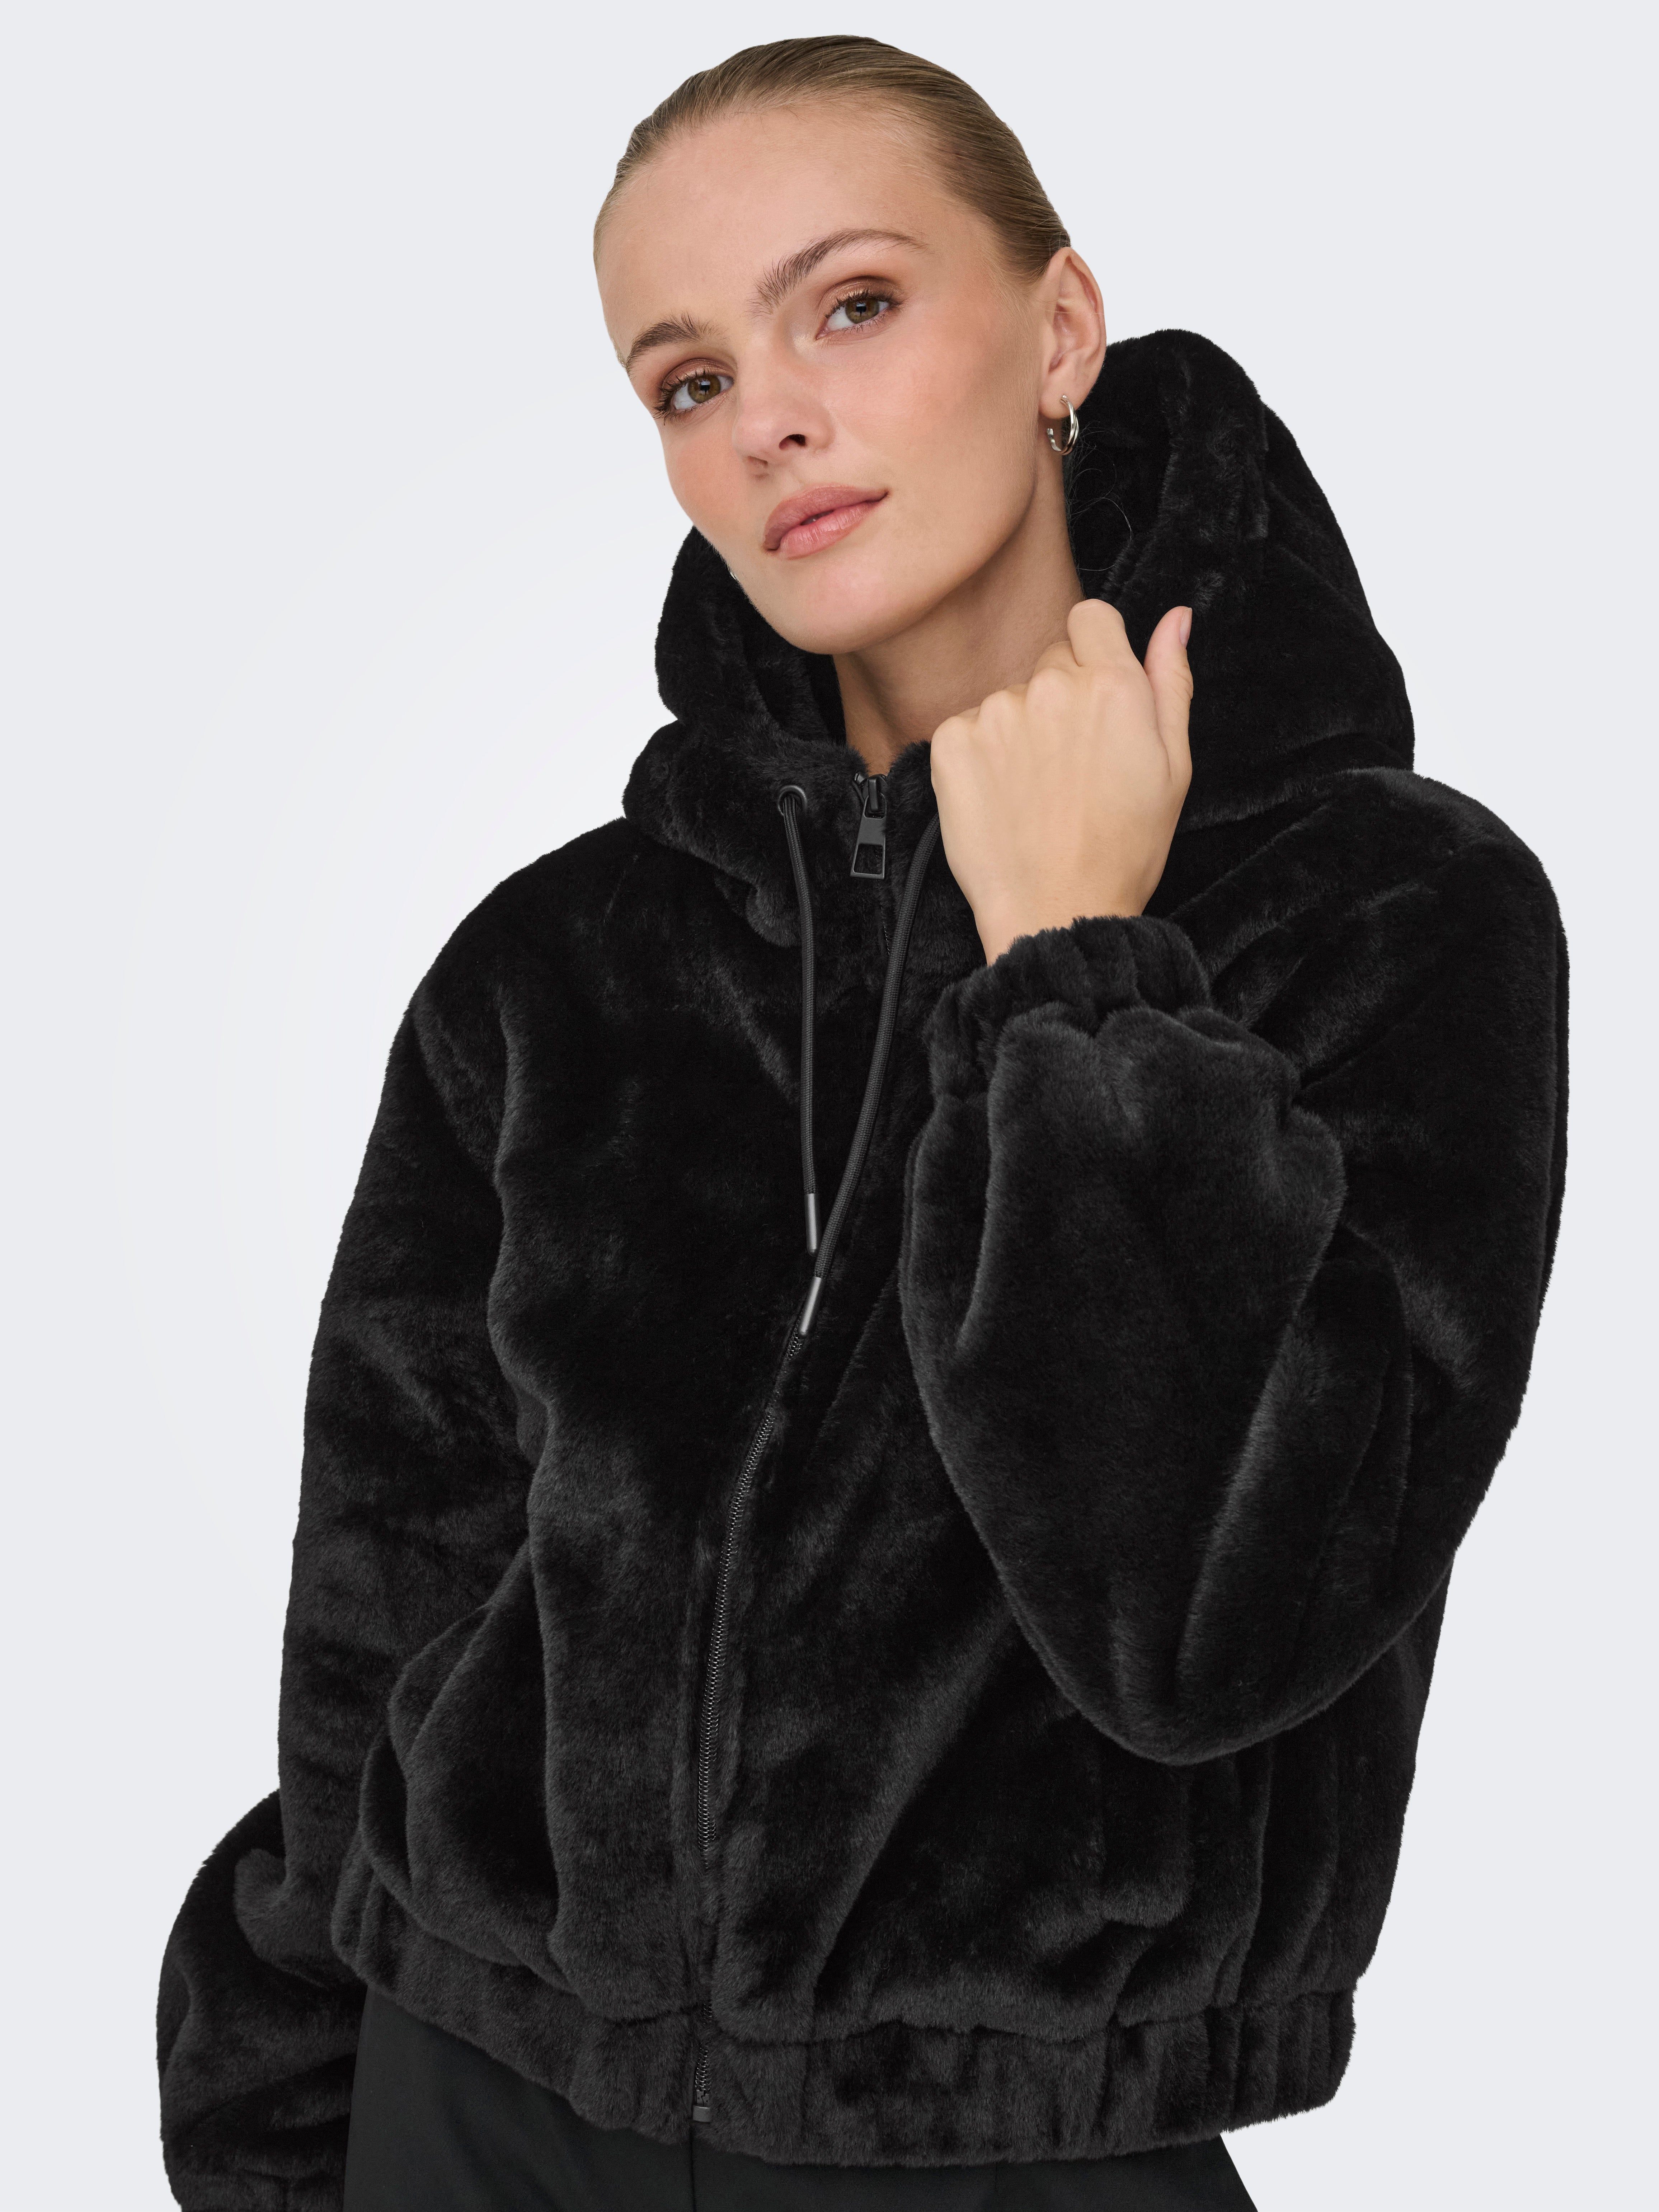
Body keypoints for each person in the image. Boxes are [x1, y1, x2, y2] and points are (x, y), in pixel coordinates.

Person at [156, 35, 1567, 2212]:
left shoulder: (1385, 912)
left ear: (1061, 330)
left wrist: (1078, 974)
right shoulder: (556, 967)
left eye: (854, 304)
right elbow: (387, 1613)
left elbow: (1206, 1630)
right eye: (688, 378)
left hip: (1020, 2151)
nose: (769, 421)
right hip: (475, 2102)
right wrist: (287, 2138)